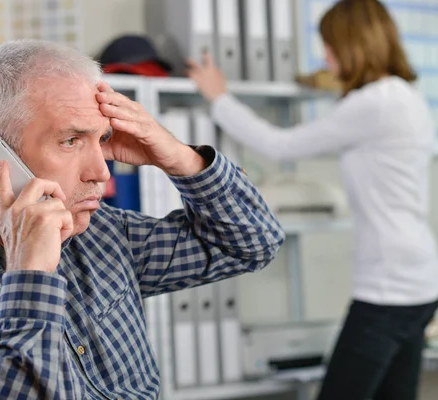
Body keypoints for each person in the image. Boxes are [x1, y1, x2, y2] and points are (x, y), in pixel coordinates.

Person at [0, 39, 284, 399]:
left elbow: (251, 242)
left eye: (101, 139)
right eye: (71, 140)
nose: (102, 172)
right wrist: (30, 277)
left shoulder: (98, 233)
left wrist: (180, 158)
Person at [187, 0, 438, 399]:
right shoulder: (405, 96)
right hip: (420, 279)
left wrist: (220, 98)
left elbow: (280, 145)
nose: (325, 55)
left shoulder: (371, 103)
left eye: (331, 47)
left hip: (389, 285)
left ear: (355, 46)